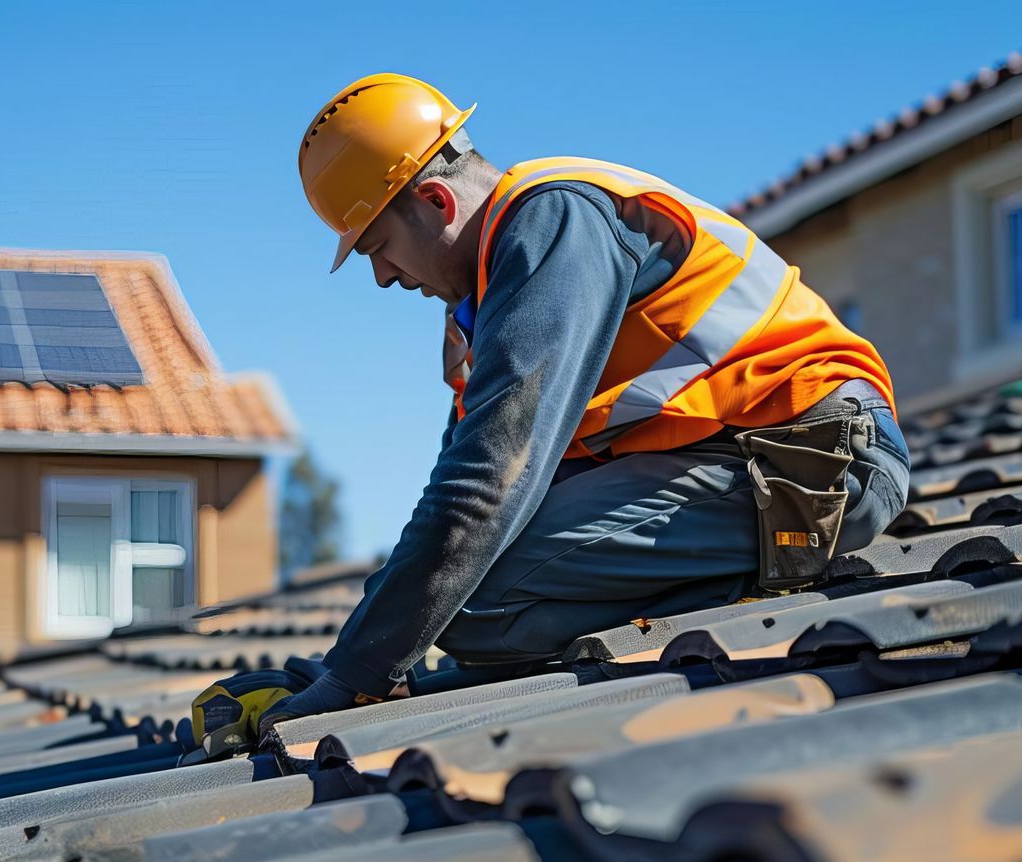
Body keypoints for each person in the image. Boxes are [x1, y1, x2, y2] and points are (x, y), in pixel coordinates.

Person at [196, 73, 910, 747]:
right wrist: (338, 668)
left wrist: (358, 678)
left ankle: (776, 573)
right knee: (458, 598)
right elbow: (455, 506)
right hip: (733, 463)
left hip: (820, 463)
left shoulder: (555, 220)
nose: (382, 277)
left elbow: (492, 480)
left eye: (378, 246)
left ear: (437, 204)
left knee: (473, 607)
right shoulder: (483, 307)